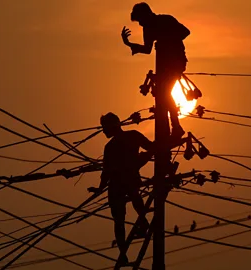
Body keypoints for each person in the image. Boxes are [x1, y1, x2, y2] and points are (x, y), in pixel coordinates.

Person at [88, 112, 153, 265]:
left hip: (118, 184)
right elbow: (152, 147)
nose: (103, 131)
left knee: (119, 221)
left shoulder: (111, 146)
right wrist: (143, 158)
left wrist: (100, 188)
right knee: (133, 198)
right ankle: (143, 223)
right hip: (128, 181)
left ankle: (123, 252)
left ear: (112, 126)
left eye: (105, 128)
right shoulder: (133, 136)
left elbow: (106, 172)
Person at [121, 2, 190, 140]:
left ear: (146, 15)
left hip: (176, 62)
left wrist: (167, 40)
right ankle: (175, 127)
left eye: (140, 20)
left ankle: (176, 127)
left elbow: (185, 32)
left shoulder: (166, 20)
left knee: (164, 93)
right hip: (163, 66)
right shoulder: (148, 29)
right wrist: (128, 44)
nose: (140, 24)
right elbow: (147, 49)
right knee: (162, 94)